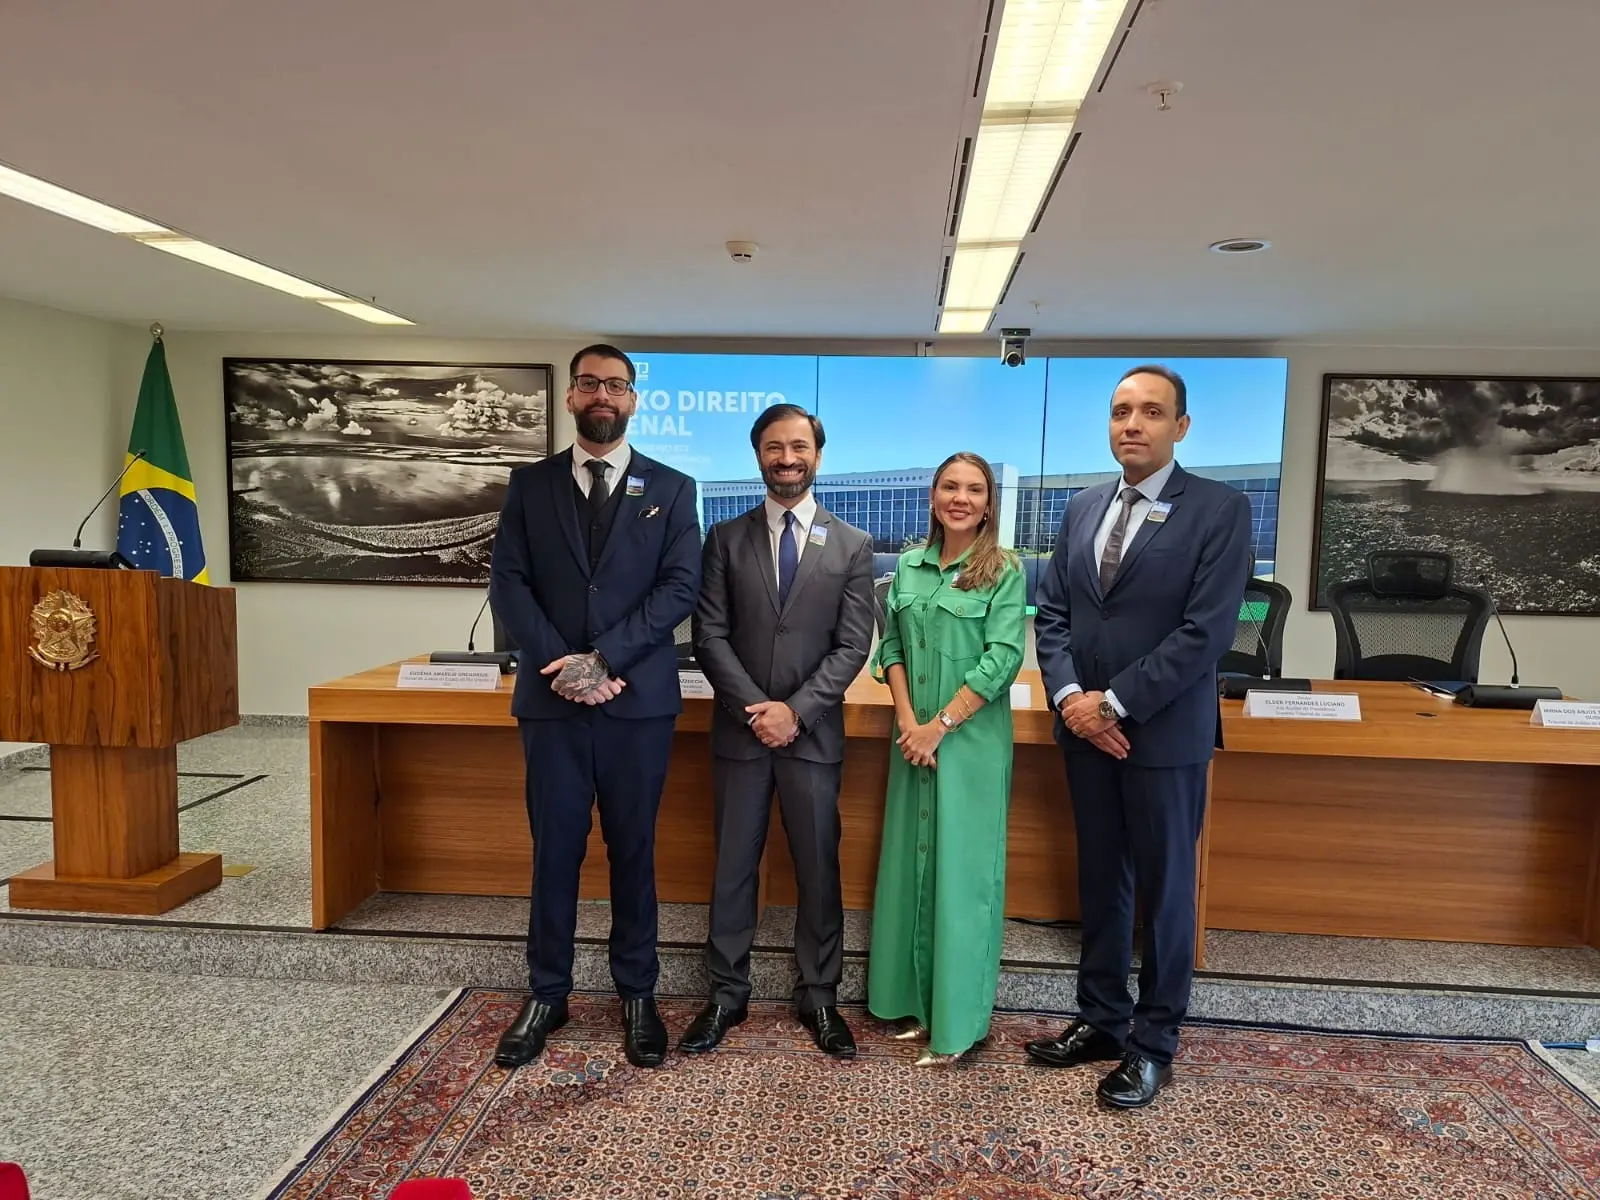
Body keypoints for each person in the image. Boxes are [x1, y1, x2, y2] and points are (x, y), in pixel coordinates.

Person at [1027, 364, 1252, 1107]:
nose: (1133, 424)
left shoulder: (1220, 510)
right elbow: (1053, 613)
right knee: (1102, 880)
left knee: (1163, 894)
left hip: (1161, 735)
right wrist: (1070, 700)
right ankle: (1101, 1019)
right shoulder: (1083, 507)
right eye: (1122, 410)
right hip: (1084, 732)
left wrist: (1114, 705)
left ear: (1180, 427)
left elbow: (1205, 632)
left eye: (1151, 412)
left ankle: (1154, 1042)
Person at [488, 343, 702, 1070]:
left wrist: (604, 661)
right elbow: (510, 585)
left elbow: (678, 589)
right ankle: (547, 993)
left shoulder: (673, 489)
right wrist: (565, 667)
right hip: (552, 706)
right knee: (555, 850)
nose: (602, 395)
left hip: (636, 705)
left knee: (633, 850)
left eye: (616, 385)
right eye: (589, 384)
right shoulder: (529, 484)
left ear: (634, 399)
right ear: (572, 397)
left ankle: (637, 992)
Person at [683, 404, 876, 1058]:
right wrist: (757, 708)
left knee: (818, 867)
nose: (786, 458)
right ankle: (725, 995)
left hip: (813, 736)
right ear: (758, 454)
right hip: (741, 737)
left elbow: (853, 647)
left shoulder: (852, 545)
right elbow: (707, 635)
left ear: (818, 454)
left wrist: (796, 710)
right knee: (733, 866)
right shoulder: (725, 540)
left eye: (798, 446)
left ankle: (819, 995)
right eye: (774, 447)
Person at [867, 452, 1026, 1066]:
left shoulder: (1004, 571)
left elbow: (1002, 659)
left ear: (989, 503)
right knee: (913, 870)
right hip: (913, 740)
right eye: (950, 486)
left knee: (963, 880)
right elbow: (892, 645)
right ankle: (916, 1006)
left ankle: (957, 1025)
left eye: (974, 489)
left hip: (969, 744)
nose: (961, 497)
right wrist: (909, 721)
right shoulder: (907, 565)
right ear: (933, 496)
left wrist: (940, 726)